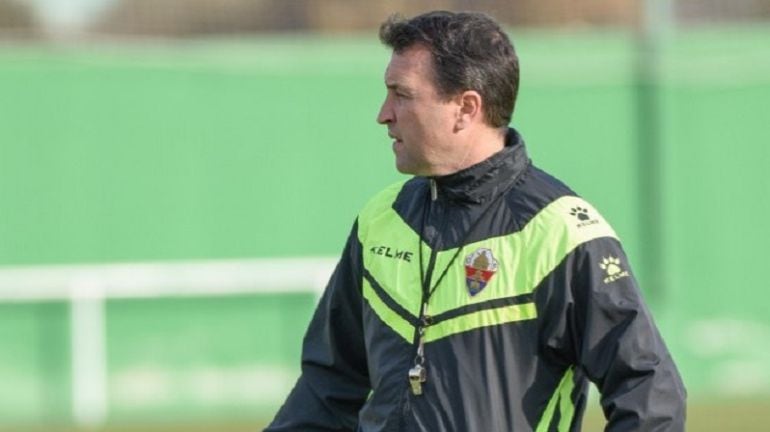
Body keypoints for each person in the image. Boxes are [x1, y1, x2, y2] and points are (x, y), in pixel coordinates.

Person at [266, 10, 686, 432]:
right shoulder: (381, 219)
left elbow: (650, 394)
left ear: (466, 107)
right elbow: (327, 388)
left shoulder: (564, 233)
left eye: (402, 94)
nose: (384, 113)